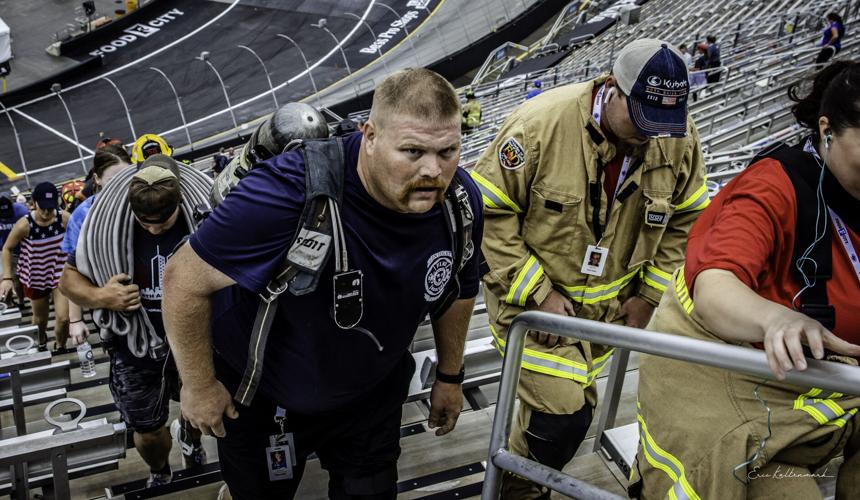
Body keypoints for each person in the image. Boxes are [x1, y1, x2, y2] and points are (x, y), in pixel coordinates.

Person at [162, 68, 483, 500]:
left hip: (370, 394)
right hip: (266, 398)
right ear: (369, 136)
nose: (433, 170)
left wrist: (450, 375)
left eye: (448, 151)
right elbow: (182, 279)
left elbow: (458, 288)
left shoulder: (458, 203)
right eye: (412, 151)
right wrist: (199, 386)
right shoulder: (290, 192)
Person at [471, 39, 709, 499]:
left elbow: (687, 218)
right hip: (532, 312)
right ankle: (517, 490)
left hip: (607, 319)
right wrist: (538, 295)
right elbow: (487, 214)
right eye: (642, 119)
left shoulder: (677, 136)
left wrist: (648, 297)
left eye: (663, 124)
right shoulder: (539, 125)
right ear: (612, 88)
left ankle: (515, 467)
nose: (652, 135)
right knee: (564, 417)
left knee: (558, 410)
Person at [631, 60, 860, 500]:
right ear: (826, 129)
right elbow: (715, 284)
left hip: (829, 397)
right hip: (745, 400)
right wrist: (776, 320)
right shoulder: (771, 186)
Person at [59, 155, 206, 487]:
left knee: (199, 409)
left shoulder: (206, 215)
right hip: (134, 347)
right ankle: (159, 469)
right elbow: (68, 280)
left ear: (180, 203)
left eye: (163, 222)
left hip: (196, 340)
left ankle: (192, 439)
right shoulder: (101, 222)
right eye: (146, 222)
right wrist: (103, 297)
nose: (153, 228)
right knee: (148, 431)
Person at [63, 145, 130, 347]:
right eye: (113, 180)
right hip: (108, 303)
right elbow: (73, 271)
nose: (121, 186)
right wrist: (75, 319)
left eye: (126, 178)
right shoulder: (82, 216)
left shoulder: (142, 201)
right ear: (97, 179)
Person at [0, 183, 71, 351]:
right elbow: (7, 248)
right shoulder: (24, 225)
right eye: (43, 208)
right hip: (35, 277)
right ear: (34, 203)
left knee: (64, 318)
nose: (47, 212)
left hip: (60, 275)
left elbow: (80, 241)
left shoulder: (64, 218)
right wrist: (7, 277)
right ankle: (41, 340)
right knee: (40, 320)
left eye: (50, 208)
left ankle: (60, 346)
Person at [0, 195, 29, 308]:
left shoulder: (22, 212)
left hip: (25, 248)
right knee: (14, 278)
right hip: (7, 251)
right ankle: (19, 301)